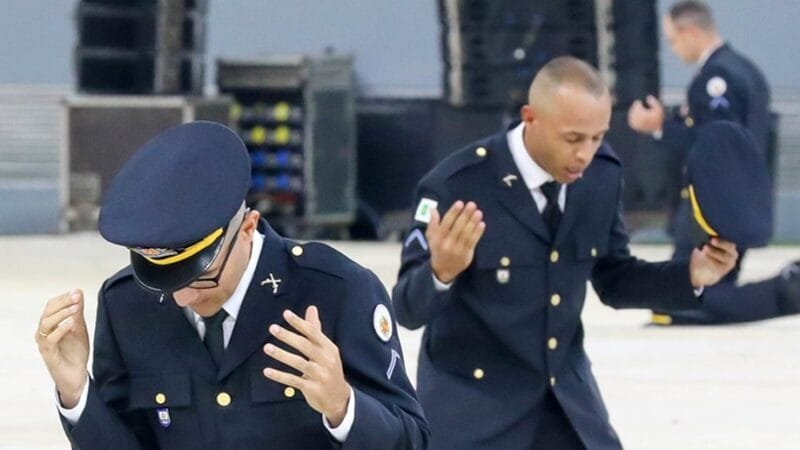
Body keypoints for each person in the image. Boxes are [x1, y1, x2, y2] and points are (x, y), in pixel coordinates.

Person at [392, 56, 738, 450]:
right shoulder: (458, 186)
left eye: (597, 137)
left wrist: (691, 274)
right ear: (530, 117)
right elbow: (406, 308)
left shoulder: (600, 176)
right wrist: (441, 271)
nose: (585, 154)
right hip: (475, 409)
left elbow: (614, 279)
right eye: (573, 138)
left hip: (565, 404)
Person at [35, 121, 429, 449]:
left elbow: (414, 440)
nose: (184, 297)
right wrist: (76, 394)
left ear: (247, 228)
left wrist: (344, 408)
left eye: (201, 276)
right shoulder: (126, 305)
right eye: (168, 281)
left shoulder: (337, 290)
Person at [627, 0, 800, 325]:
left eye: (673, 40)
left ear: (690, 31)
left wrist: (660, 127)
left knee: (678, 300)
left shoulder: (716, 78)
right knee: (687, 296)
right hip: (737, 202)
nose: (673, 49)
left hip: (712, 208)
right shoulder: (745, 69)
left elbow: (715, 145)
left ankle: (788, 288)